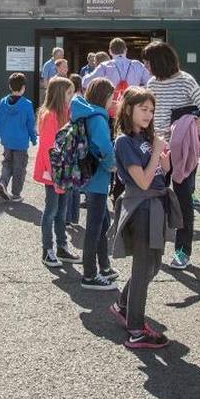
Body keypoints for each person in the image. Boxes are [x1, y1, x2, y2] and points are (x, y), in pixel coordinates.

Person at [108, 87, 177, 349]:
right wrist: (157, 149)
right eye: (143, 109)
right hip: (141, 207)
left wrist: (164, 161)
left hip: (157, 204)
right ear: (128, 109)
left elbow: (161, 174)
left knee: (153, 265)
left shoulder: (147, 139)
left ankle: (123, 306)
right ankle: (136, 329)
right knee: (142, 267)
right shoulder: (124, 141)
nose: (148, 114)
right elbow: (143, 181)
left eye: (151, 110)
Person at [143, 41, 200, 271]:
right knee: (154, 197)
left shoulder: (186, 80)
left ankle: (183, 251)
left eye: (147, 61)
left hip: (183, 151)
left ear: (158, 61)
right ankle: (153, 247)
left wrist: (189, 129)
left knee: (184, 199)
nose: (145, 66)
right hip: (156, 148)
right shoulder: (152, 83)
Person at [72, 77, 118, 290]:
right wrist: (113, 165)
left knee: (101, 224)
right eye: (112, 96)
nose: (114, 100)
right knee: (95, 227)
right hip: (98, 178)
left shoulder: (85, 112)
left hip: (88, 176)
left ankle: (104, 267)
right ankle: (90, 274)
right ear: (105, 96)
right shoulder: (98, 118)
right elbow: (105, 148)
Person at [33, 76, 81, 267]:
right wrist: (54, 173)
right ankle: (47, 250)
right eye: (69, 93)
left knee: (61, 212)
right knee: (51, 210)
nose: (72, 96)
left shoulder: (66, 113)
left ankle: (61, 247)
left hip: (64, 171)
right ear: (61, 93)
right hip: (54, 172)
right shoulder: (50, 115)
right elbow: (47, 147)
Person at [0, 72, 37, 203]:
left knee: (7, 164)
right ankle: (16, 194)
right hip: (21, 143)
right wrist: (33, 138)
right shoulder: (27, 104)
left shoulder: (3, 102)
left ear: (10, 87)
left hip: (7, 141)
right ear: (23, 88)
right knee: (19, 168)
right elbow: (30, 124)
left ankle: (3, 182)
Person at [81, 37, 151, 94]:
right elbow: (150, 84)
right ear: (126, 50)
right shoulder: (137, 65)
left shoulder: (104, 66)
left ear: (110, 51)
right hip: (133, 103)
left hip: (112, 106)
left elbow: (85, 83)